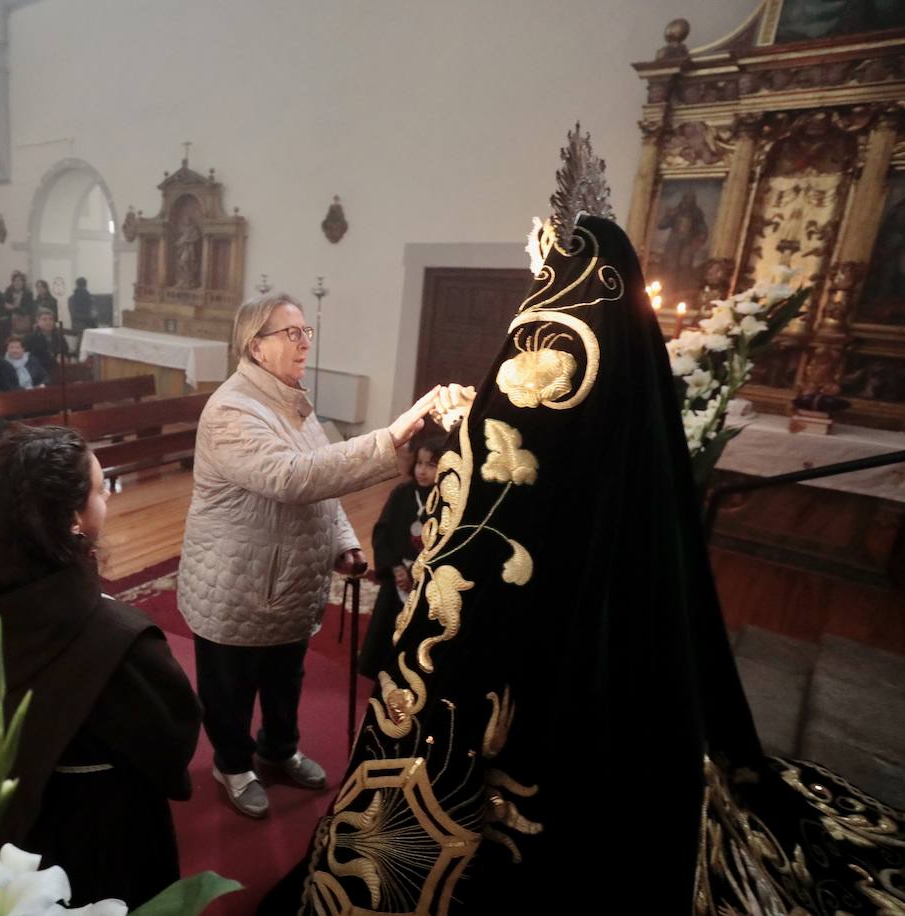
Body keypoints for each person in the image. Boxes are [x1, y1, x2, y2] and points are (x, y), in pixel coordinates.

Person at [263, 215, 852, 915]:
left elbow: (482, 518)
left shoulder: (549, 358)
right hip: (617, 638)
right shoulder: (632, 376)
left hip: (532, 644)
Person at [177, 291, 462, 819]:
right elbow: (292, 477)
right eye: (292, 333)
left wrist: (346, 543)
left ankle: (279, 749)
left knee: (287, 677)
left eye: (306, 331)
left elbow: (322, 481)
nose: (305, 342)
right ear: (255, 347)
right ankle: (233, 764)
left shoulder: (292, 400)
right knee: (231, 686)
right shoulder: (231, 410)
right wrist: (390, 438)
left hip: (285, 580)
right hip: (237, 583)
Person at [0, 425, 201, 906]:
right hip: (106, 827)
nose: (107, 499)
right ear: (73, 519)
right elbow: (172, 738)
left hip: (19, 812)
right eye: (101, 489)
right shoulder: (120, 639)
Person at [356, 430, 447, 679]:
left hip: (423, 575)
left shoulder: (446, 502)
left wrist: (414, 572)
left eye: (431, 465)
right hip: (396, 570)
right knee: (385, 620)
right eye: (419, 463)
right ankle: (375, 663)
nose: (423, 470)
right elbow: (382, 532)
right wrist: (396, 568)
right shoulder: (402, 494)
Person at [23, 309, 66, 382]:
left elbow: (65, 350)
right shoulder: (31, 337)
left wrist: (63, 356)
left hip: (57, 369)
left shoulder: (58, 335)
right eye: (44, 319)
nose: (48, 322)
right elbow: (33, 357)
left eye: (51, 319)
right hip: (39, 371)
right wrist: (54, 360)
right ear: (38, 322)